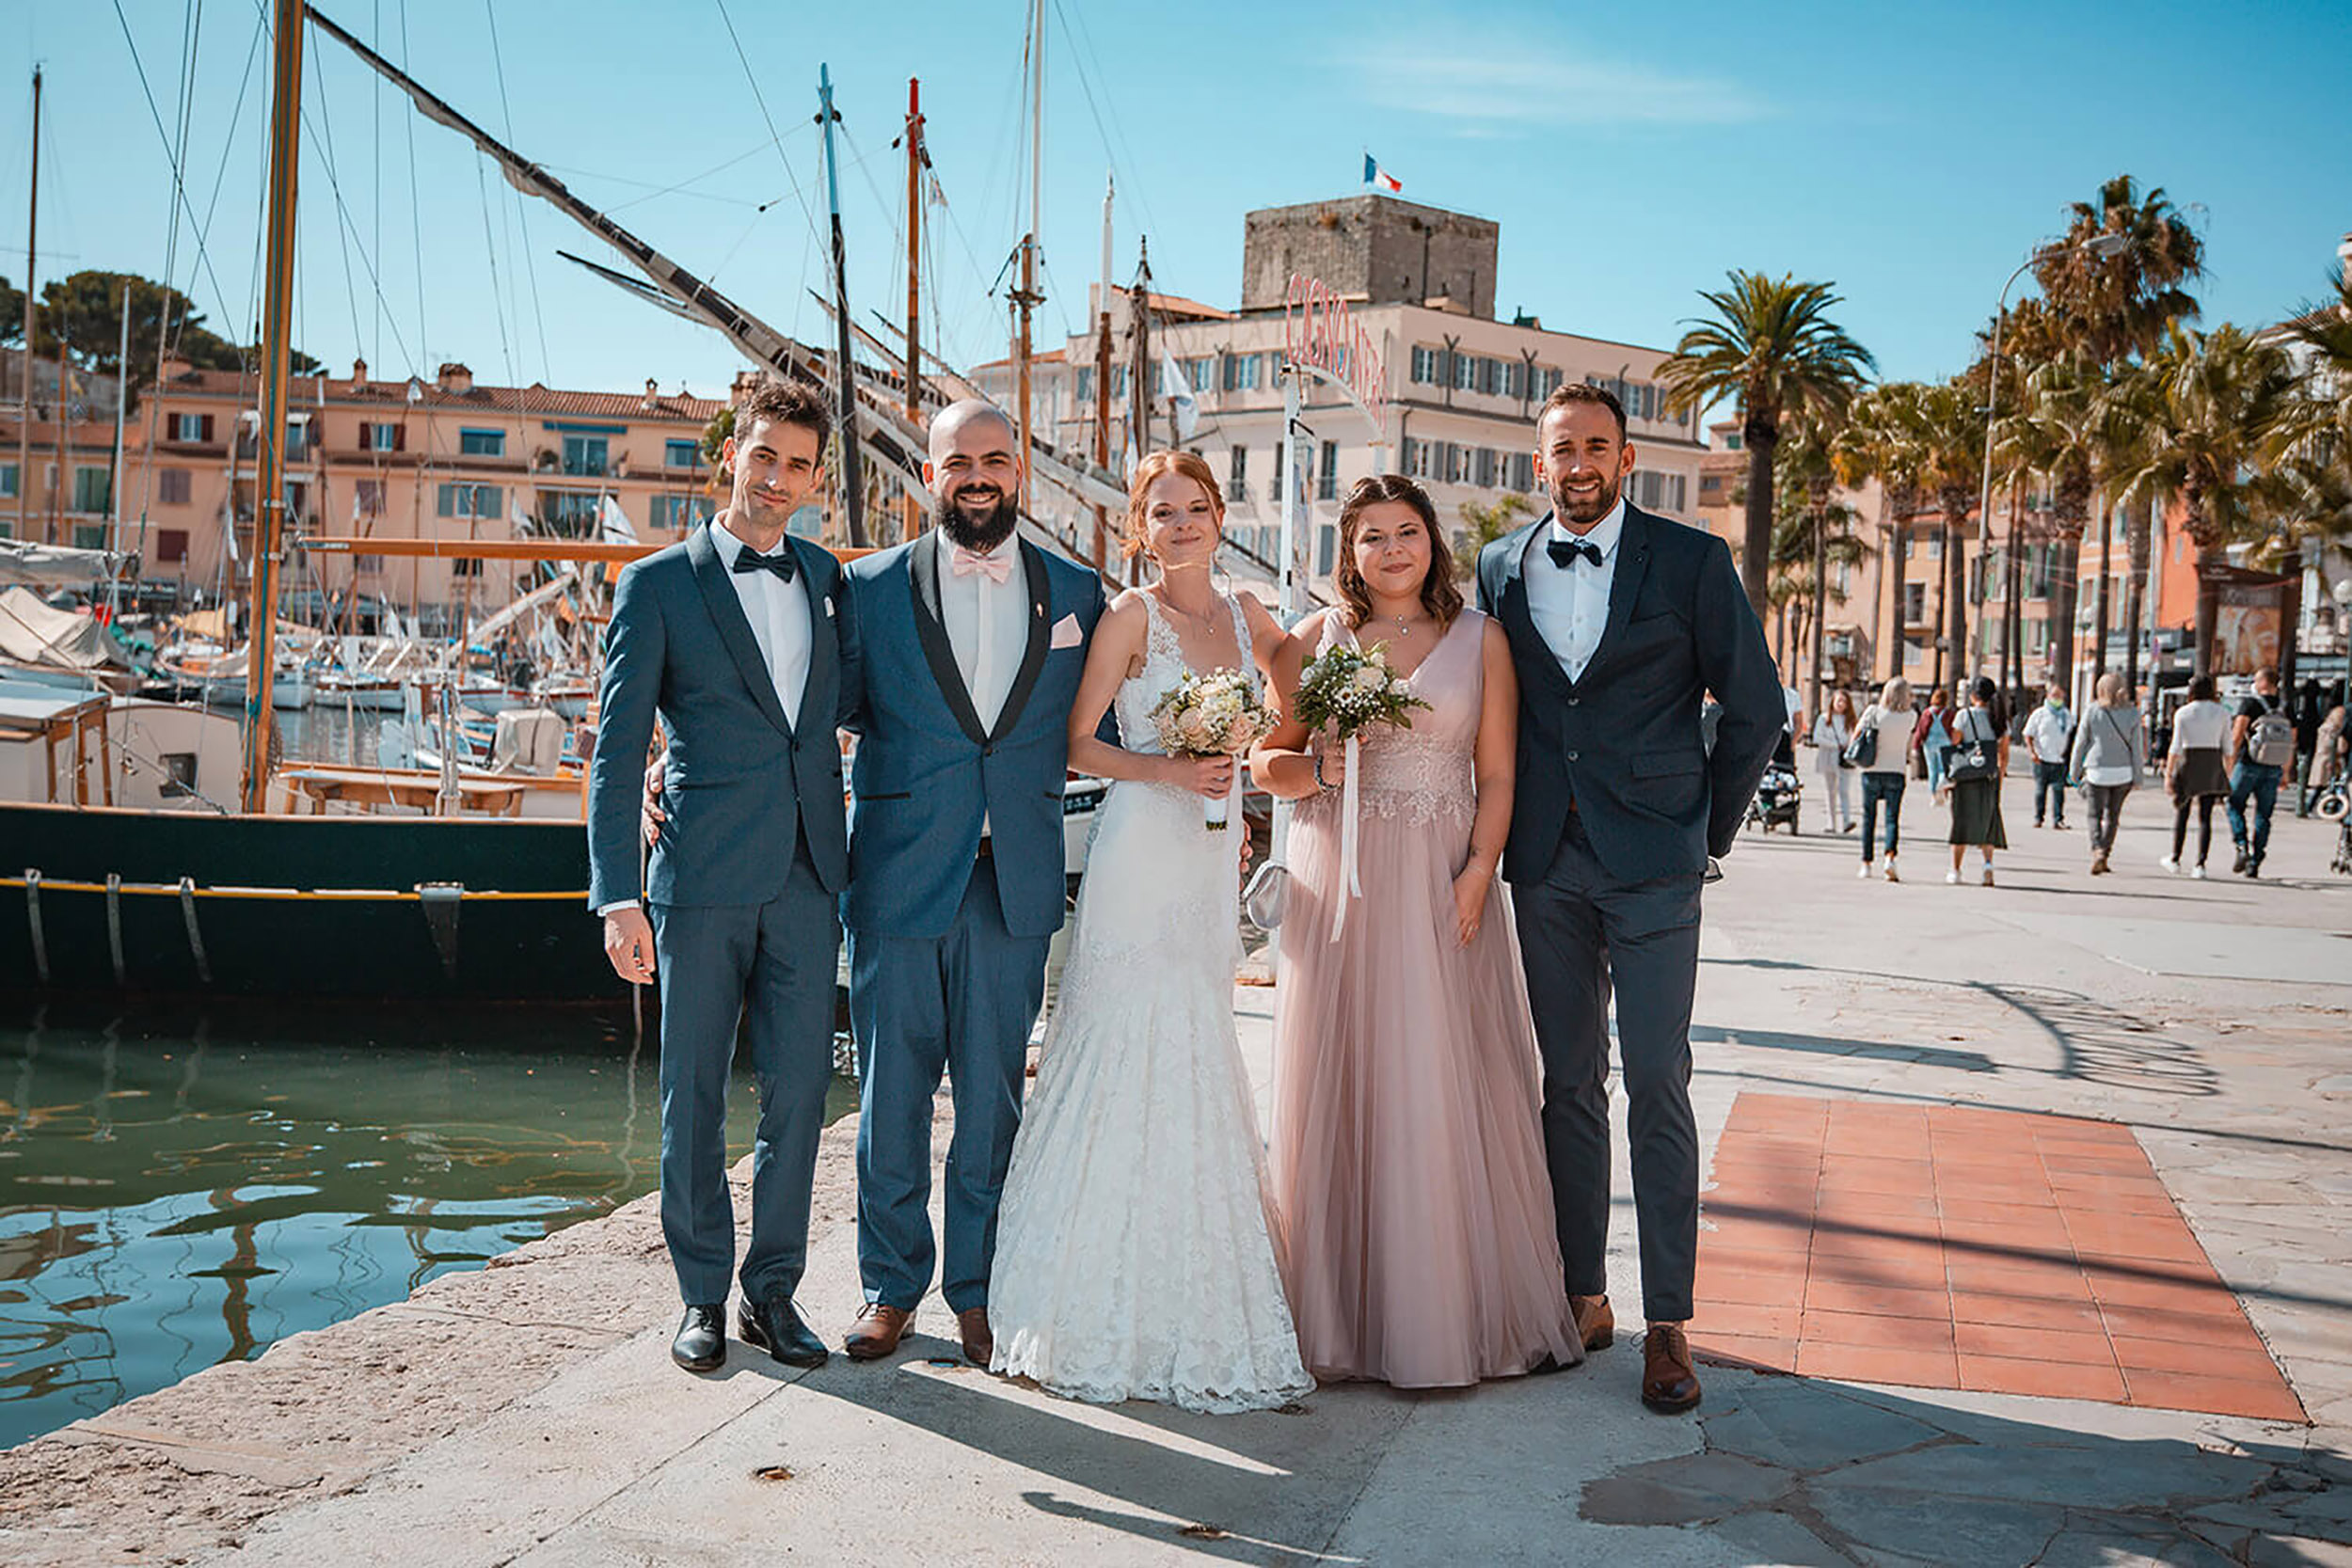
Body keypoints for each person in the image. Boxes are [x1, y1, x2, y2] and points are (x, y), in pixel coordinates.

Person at [1474, 383, 1782, 1416]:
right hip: (1545, 862)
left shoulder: (1691, 560)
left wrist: (1703, 833)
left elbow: (1755, 707)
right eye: (1562, 449)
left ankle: (1668, 1322)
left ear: (1626, 457)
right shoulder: (1498, 565)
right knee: (1567, 1082)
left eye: (1597, 447)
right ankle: (1583, 1294)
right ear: (1539, 462)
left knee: (1656, 1078)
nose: (1580, 465)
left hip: (1655, 863)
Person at [987, 451, 1311, 1412]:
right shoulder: (1130, 614)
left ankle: (1193, 1284)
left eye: (1196, 508)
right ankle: (1087, 1293)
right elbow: (1078, 741)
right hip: (1140, 849)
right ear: (1140, 526)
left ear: (1220, 516)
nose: (1181, 525)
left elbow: (1294, 686)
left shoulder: (1246, 611)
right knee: (1124, 1034)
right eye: (1162, 512)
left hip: (1209, 854)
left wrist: (1262, 747)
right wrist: (1175, 770)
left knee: (1197, 1036)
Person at [1252, 475, 1580, 1389]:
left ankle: (1438, 1318)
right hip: (1338, 878)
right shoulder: (1318, 637)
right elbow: (1268, 761)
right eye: (1372, 535)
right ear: (1349, 550)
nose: (1391, 549)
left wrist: (1478, 870)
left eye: (1406, 531)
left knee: (1433, 1077)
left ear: (1431, 541)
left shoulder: (1482, 639)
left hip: (1440, 876)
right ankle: (1339, 1318)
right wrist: (1317, 769)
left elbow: (1499, 775)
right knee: (1345, 1075)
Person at [585, 376, 862, 1374]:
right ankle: (700, 1292)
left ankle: (771, 1292)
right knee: (693, 1094)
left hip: (809, 876)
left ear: (815, 478)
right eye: (764, 456)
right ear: (731, 455)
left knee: (799, 1095)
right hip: (697, 875)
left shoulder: (829, 578)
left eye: (798, 464)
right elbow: (618, 748)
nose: (778, 478)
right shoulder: (656, 584)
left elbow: (859, 707)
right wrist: (618, 894)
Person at [835, 401, 1111, 1369]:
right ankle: (890, 1286)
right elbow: (809, 716)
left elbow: (1112, 726)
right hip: (898, 875)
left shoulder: (1078, 590)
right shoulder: (866, 587)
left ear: (1019, 468)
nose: (979, 476)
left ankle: (980, 1290)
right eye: (959, 462)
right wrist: (671, 766)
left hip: (1015, 880)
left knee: (993, 1102)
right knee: (891, 1097)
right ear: (930, 475)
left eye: (995, 458)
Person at [2068, 672, 2144, 876]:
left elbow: (2080, 743)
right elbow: (2137, 748)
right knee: (2113, 816)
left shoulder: (2092, 711)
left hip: (2097, 771)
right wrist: (2138, 776)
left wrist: (2074, 771)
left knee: (2094, 814)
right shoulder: (2133, 713)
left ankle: (2097, 850)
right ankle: (2106, 852)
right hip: (2123, 772)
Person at [2161, 673, 2232, 879]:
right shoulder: (2222, 713)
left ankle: (2175, 858)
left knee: (2182, 812)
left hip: (2189, 761)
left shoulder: (2183, 713)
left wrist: (2168, 774)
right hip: (2212, 763)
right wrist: (2227, 772)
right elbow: (2228, 746)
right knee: (2206, 816)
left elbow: (2175, 746)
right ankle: (2200, 864)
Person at [1945, 676, 2010, 886]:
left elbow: (1955, 745)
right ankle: (1988, 865)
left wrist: (1948, 777)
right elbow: (2004, 755)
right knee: (1988, 823)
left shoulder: (1964, 716)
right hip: (1989, 778)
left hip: (1966, 776)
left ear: (1972, 695)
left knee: (1961, 822)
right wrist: (1999, 779)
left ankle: (1956, 870)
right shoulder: (1999, 719)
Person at [2228, 666, 2291, 878]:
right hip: (2274, 767)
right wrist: (2286, 771)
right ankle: (2256, 860)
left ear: (2264, 682)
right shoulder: (2286, 707)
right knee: (2264, 814)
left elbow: (2237, 735)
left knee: (2234, 803)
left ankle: (2241, 845)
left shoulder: (2250, 703)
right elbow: (2292, 742)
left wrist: (2229, 764)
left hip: (2248, 763)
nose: (2253, 684)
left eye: (2256, 680)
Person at [1852, 677, 1915, 881]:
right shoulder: (1911, 716)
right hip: (1897, 770)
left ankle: (1866, 864)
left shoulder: (1873, 712)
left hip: (1871, 769)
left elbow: (1856, 736)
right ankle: (1890, 858)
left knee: (1869, 818)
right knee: (1892, 818)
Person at [2023, 685, 2074, 830]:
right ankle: (2038, 817)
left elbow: (2070, 735)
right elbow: (2028, 734)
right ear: (2048, 696)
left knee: (2059, 791)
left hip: (2059, 760)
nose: (2057, 699)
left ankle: (2058, 819)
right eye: (2054, 696)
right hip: (2041, 759)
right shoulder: (2039, 714)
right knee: (2040, 791)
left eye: (2060, 696)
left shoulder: (2066, 715)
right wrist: (2032, 752)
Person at [1811, 689, 1858, 833]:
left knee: (1844, 790)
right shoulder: (1824, 719)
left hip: (1844, 759)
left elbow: (1855, 737)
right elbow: (1817, 737)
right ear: (1832, 702)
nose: (1841, 704)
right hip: (1828, 757)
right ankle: (1831, 823)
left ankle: (1847, 821)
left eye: (1844, 701)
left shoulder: (1850, 720)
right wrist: (1835, 745)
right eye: (1839, 701)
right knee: (1830, 791)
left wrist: (1849, 745)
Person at [1914, 686, 1954, 794]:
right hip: (1945, 743)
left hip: (1930, 743)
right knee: (1943, 769)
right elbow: (1952, 729)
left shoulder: (1927, 713)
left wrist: (1916, 745)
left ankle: (1933, 793)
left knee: (1932, 769)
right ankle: (1942, 787)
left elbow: (1921, 729)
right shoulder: (1949, 713)